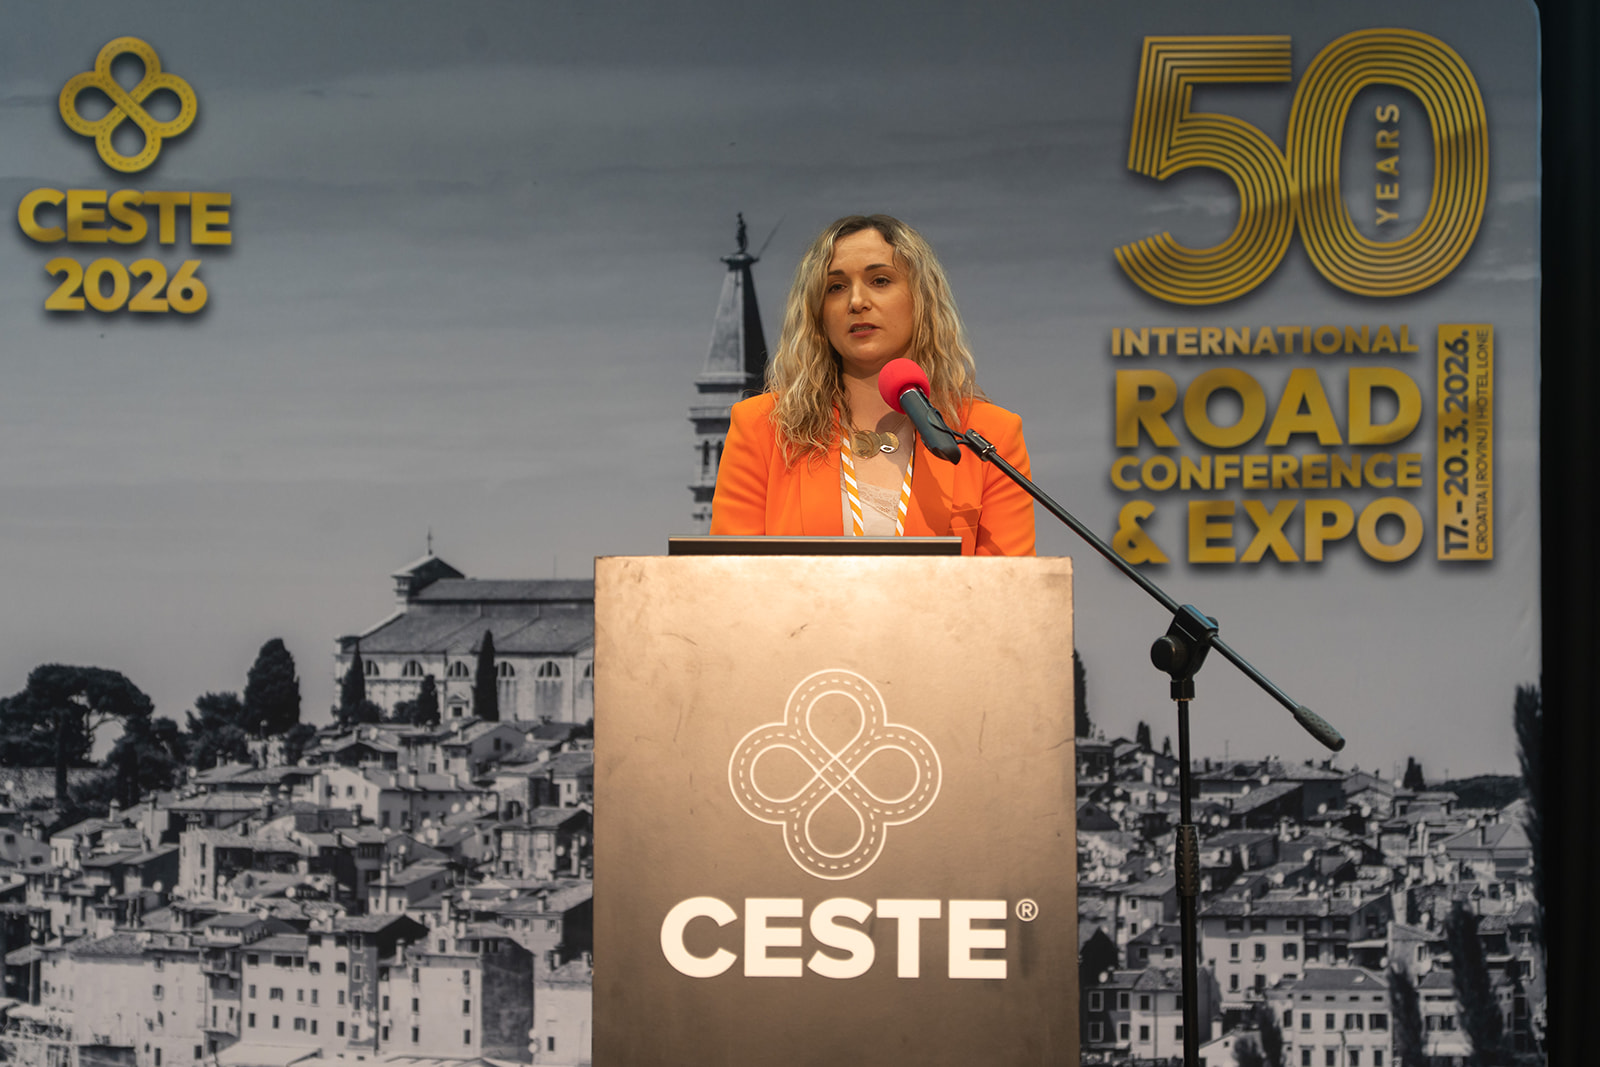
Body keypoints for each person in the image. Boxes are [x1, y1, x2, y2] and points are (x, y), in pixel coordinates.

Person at [710, 214, 1036, 556]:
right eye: (836, 287)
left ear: (921, 299)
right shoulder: (763, 427)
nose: (856, 301)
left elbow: (1010, 583)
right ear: (818, 313)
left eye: (880, 281)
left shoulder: (989, 436)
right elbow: (730, 576)